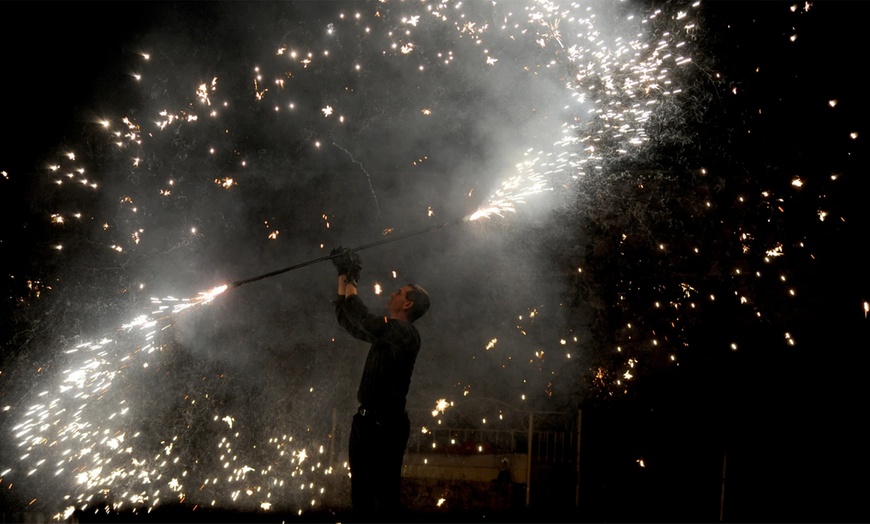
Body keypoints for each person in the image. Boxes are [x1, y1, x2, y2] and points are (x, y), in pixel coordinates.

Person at [330, 246, 430, 521]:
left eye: (398, 293)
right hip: (365, 423)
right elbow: (350, 322)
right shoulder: (387, 334)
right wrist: (344, 277)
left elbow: (363, 318)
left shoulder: (405, 333)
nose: (392, 294)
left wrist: (353, 277)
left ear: (408, 304)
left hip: (386, 426)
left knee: (383, 502)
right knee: (361, 500)